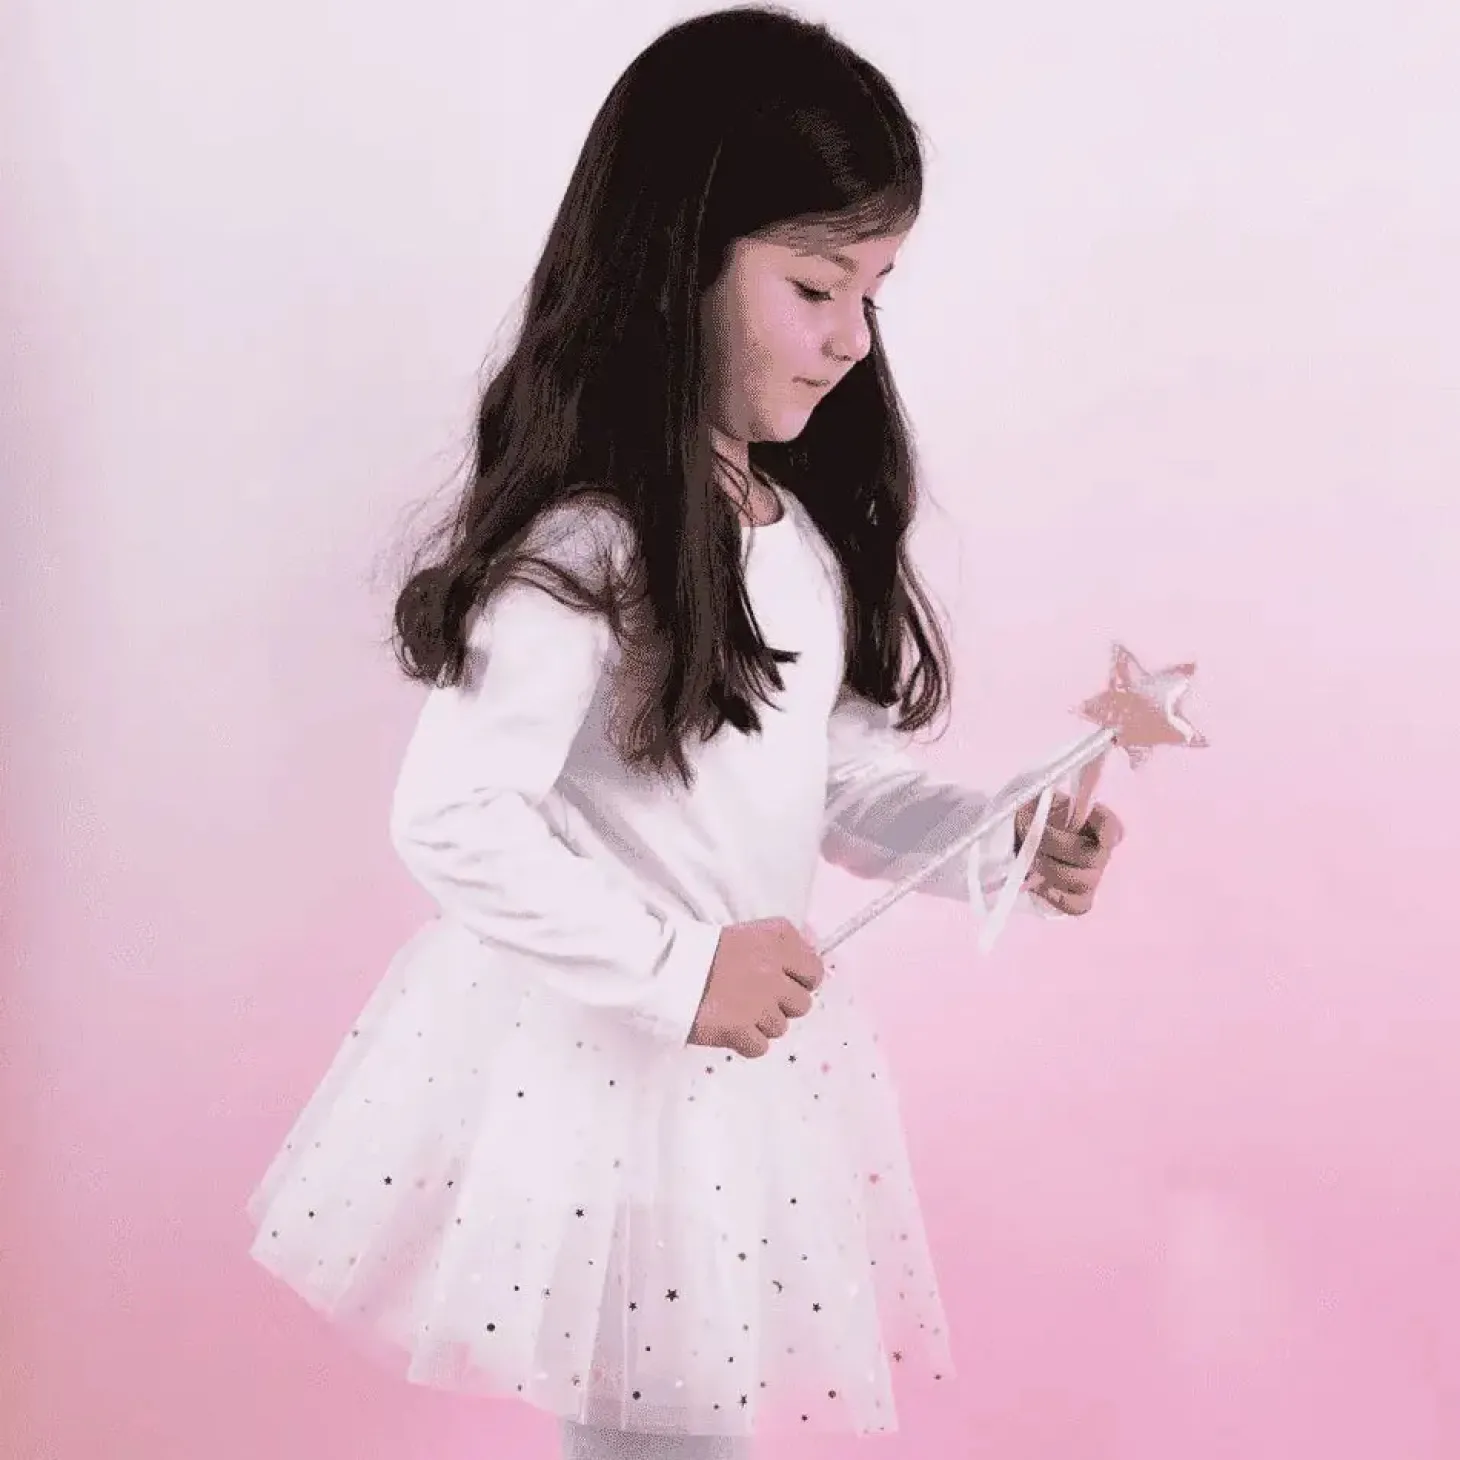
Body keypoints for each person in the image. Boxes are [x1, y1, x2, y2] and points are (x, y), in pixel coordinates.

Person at [246, 7, 1122, 1458]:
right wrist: (679, 970)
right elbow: (454, 816)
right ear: (674, 263)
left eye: (875, 292)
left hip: (734, 1079)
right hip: (619, 1068)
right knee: (663, 1427)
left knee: (682, 1421)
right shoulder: (589, 549)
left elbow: (836, 776)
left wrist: (993, 839)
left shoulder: (792, 534)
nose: (851, 338)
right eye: (816, 286)